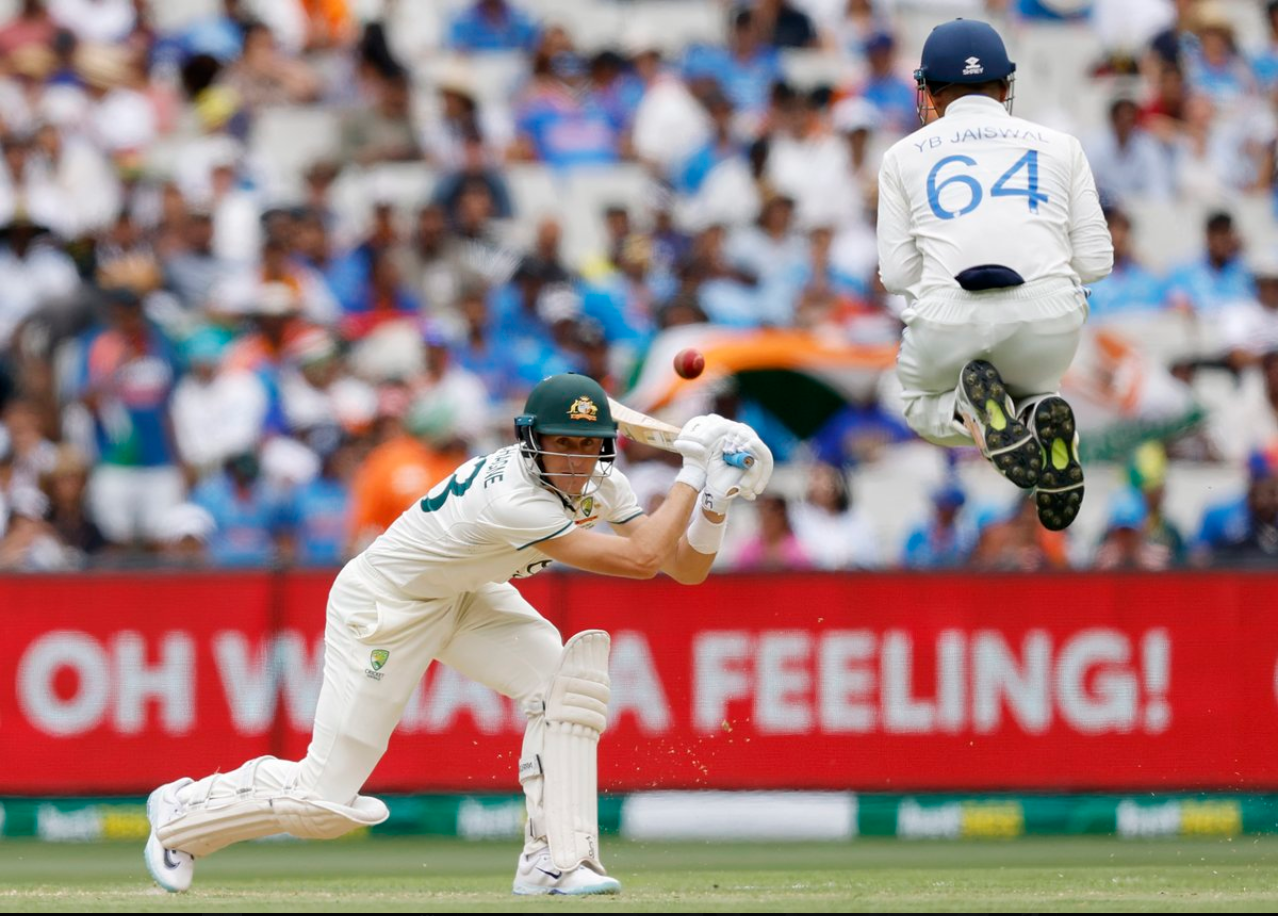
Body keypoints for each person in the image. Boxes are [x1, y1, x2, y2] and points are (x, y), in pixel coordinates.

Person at [141, 374, 772, 896]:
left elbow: (682, 568)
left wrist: (715, 498)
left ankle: (554, 860)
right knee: (323, 803)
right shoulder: (514, 499)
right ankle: (184, 809)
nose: (578, 461)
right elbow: (639, 561)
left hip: (468, 594)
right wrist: (692, 467)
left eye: (589, 446)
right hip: (387, 604)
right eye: (563, 444)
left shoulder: (602, 480)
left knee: (565, 683)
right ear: (532, 443)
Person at [876, 18, 1113, 531]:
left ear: (929, 92)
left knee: (919, 405)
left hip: (949, 320)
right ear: (1005, 86)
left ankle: (970, 410)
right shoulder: (1061, 145)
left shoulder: (901, 156)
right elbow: (1097, 262)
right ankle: (1036, 414)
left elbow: (896, 276)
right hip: (1048, 319)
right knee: (1032, 383)